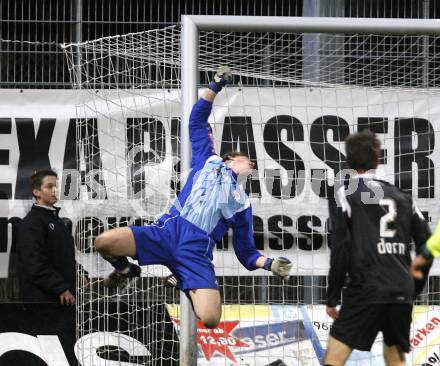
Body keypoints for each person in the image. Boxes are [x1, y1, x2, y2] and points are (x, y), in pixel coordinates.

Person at [94, 66, 292, 328]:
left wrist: (270, 263)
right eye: (248, 157)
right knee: (103, 242)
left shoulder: (243, 204)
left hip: (196, 252)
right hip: (166, 232)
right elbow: (196, 121)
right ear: (230, 158)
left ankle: (181, 282)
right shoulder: (207, 160)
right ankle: (126, 271)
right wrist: (215, 85)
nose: (253, 162)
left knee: (210, 318)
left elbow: (246, 253)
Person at [323, 130, 431, 366]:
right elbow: (427, 246)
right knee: (394, 360)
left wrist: (332, 297)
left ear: (348, 161)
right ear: (377, 160)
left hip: (366, 288)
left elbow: (340, 248)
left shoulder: (345, 193)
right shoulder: (403, 197)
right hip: (400, 291)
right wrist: (413, 287)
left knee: (333, 359)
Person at [16, 170, 81, 305]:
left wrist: (79, 272)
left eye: (56, 186)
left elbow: (63, 257)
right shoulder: (31, 223)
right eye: (50, 186)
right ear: (36, 192)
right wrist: (61, 288)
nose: (55, 190)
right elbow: (34, 263)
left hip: (62, 297)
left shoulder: (57, 221)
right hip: (43, 301)